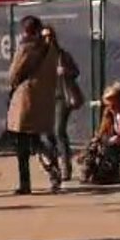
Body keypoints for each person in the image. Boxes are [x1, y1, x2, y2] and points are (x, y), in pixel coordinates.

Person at [7, 15, 61, 195]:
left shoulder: (26, 47)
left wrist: (13, 83)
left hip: (26, 97)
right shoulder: (50, 47)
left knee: (23, 144)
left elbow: (14, 73)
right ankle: (53, 167)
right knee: (38, 139)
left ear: (25, 30)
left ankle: (25, 184)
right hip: (43, 97)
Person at [81, 82, 120, 184]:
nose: (108, 105)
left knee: (115, 147)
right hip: (115, 143)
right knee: (97, 146)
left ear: (118, 100)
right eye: (106, 101)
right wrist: (95, 140)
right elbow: (102, 129)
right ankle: (93, 172)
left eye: (110, 101)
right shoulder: (108, 112)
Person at [44, 26, 81, 182]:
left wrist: (65, 71)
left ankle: (66, 167)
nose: (47, 39)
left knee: (59, 130)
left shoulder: (62, 55)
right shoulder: (39, 56)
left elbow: (76, 71)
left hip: (61, 97)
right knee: (48, 134)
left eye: (50, 36)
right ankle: (54, 167)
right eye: (44, 36)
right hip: (45, 98)